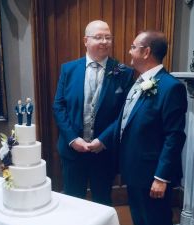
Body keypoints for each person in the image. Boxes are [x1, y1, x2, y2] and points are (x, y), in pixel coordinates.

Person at [97, 30, 187, 225]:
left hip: (153, 173)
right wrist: (101, 142)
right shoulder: (138, 83)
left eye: (133, 47)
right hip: (133, 169)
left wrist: (162, 177)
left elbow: (174, 136)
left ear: (146, 52)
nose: (129, 52)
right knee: (140, 221)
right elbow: (124, 121)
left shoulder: (171, 88)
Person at [52, 20, 134, 205]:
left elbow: (125, 113)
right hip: (72, 151)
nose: (104, 41)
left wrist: (103, 140)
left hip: (103, 153)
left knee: (102, 202)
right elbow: (59, 106)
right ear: (85, 41)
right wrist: (73, 139)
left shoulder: (123, 73)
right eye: (98, 37)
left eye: (108, 37)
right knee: (73, 202)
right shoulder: (69, 69)